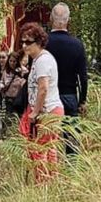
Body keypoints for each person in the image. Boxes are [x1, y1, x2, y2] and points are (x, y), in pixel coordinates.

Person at [19, 23, 64, 182]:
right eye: (22, 42)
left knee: (40, 150)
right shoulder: (38, 60)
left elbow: (43, 88)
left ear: (39, 42)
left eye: (28, 42)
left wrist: (35, 111)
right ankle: (49, 183)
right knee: (48, 149)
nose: (24, 46)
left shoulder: (43, 60)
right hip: (48, 110)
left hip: (47, 110)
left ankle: (43, 183)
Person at [46, 2, 89, 141]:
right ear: (68, 21)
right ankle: (71, 162)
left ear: (51, 19)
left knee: (47, 142)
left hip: (47, 97)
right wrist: (82, 101)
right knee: (71, 140)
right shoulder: (77, 45)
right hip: (69, 96)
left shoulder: (43, 43)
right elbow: (83, 77)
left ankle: (51, 163)